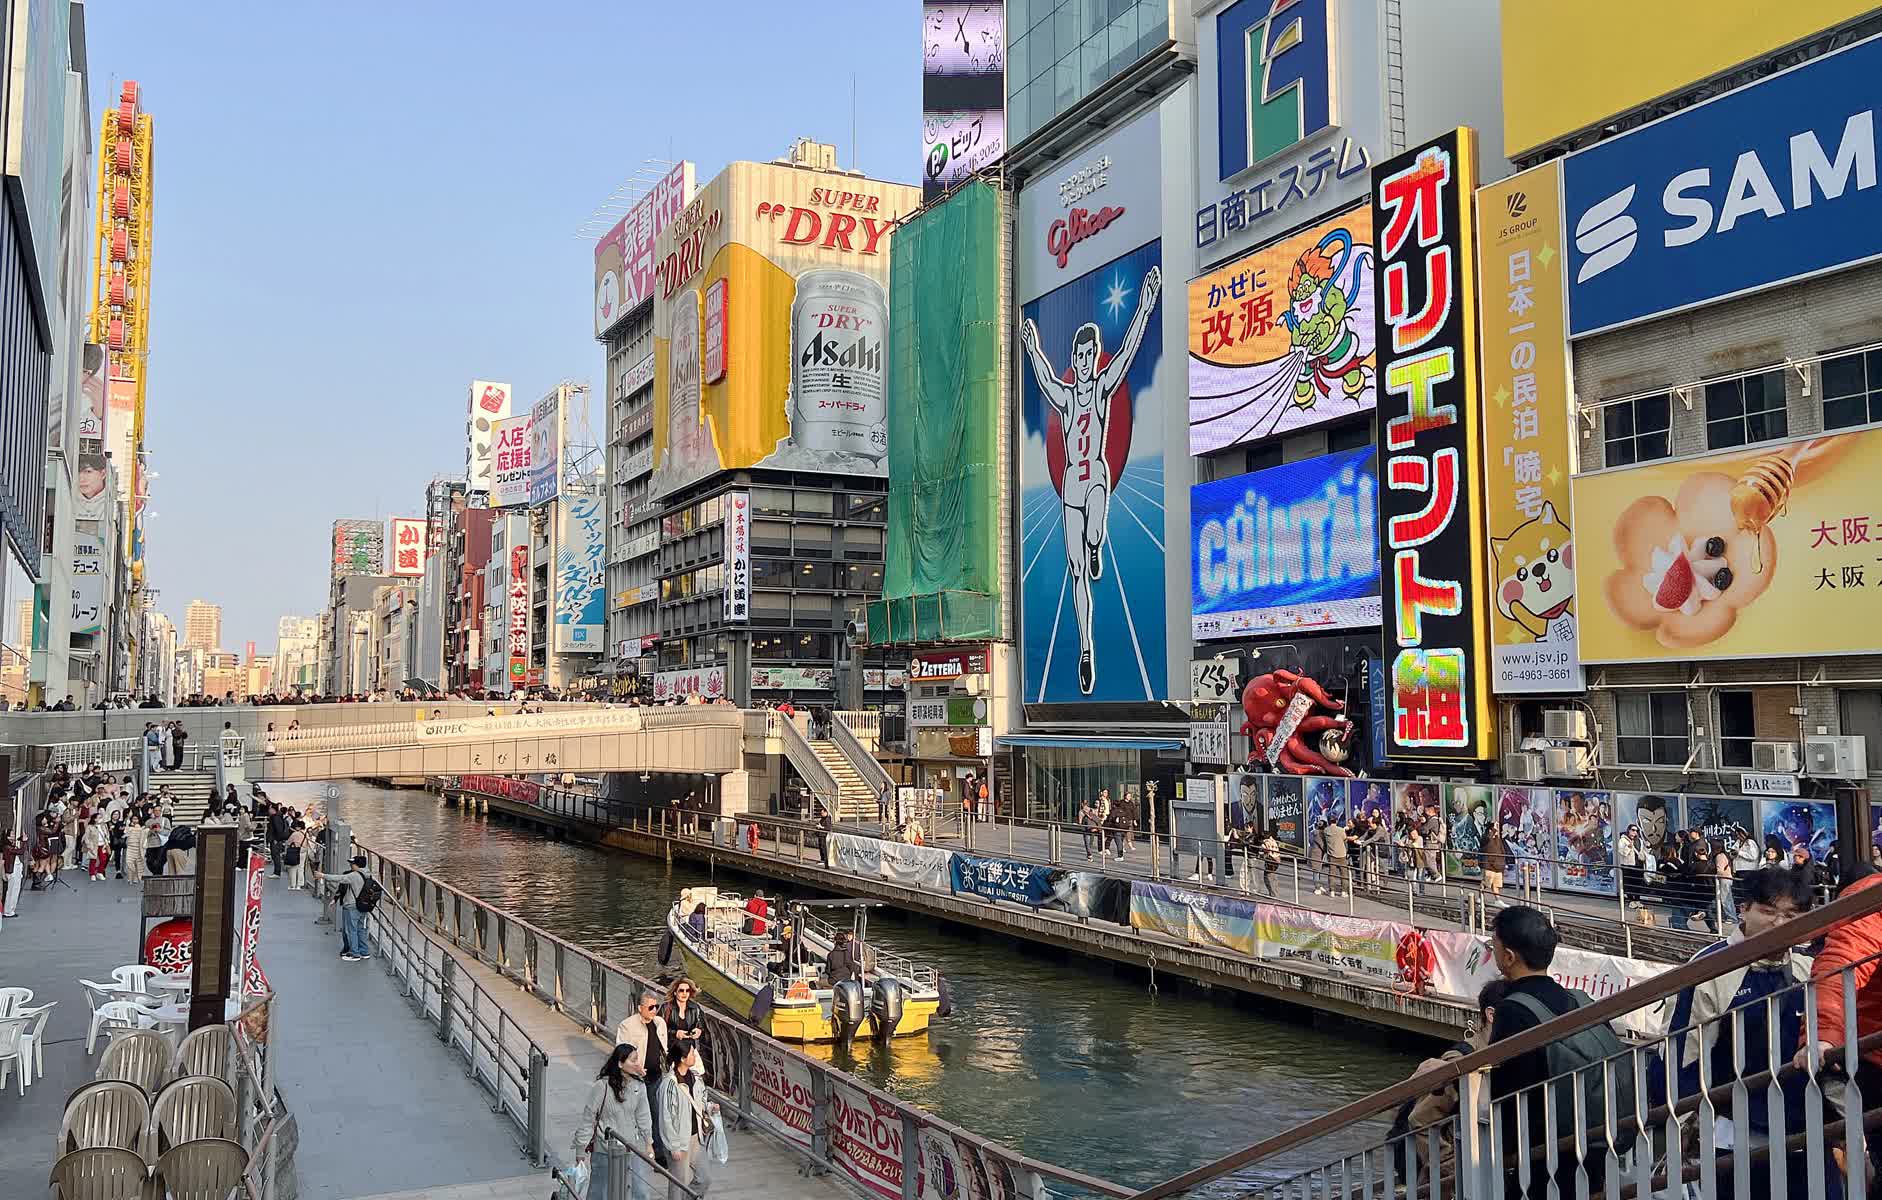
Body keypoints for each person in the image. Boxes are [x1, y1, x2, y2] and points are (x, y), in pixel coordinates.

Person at [1017, 264, 1162, 693]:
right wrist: (1032, 350)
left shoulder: (1100, 390)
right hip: (1070, 489)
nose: (1083, 363)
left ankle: (1097, 543)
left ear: (1094, 356)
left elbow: (1129, 352)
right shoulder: (1065, 398)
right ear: (1073, 359)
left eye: (1089, 356)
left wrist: (1145, 307)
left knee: (1095, 531)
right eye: (1078, 357)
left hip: (1095, 476)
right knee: (1077, 572)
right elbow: (1045, 379)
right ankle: (1085, 648)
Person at [1661, 868, 1821, 1200]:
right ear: (1744, 910)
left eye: (1791, 915)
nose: (1779, 923)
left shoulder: (1809, 967)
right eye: (1769, 911)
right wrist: (1683, 1120)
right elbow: (1683, 1053)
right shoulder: (1710, 968)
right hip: (1734, 1136)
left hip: (1806, 1130)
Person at [1389, 978, 1513, 1184]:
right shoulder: (1461, 1061)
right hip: (1454, 1172)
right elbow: (1420, 1119)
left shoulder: (1496, 1054)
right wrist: (1450, 1167)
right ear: (1491, 1015)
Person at [571, 1043, 654, 1200]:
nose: (637, 1063)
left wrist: (649, 1141)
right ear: (620, 1063)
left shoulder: (639, 1086)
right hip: (605, 1150)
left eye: (637, 1059)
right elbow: (588, 1119)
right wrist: (580, 1150)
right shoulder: (602, 1087)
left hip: (631, 1148)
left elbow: (643, 1115)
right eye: (633, 1060)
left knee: (640, 1192)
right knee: (600, 1193)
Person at [655, 1041, 720, 1199]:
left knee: (704, 1178)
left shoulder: (696, 1078)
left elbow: (701, 1101)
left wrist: (710, 1107)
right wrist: (673, 1146)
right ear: (683, 1059)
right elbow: (666, 1117)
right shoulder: (669, 1084)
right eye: (692, 1053)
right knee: (679, 1184)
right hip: (679, 1141)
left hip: (696, 1138)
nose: (695, 1055)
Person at [614, 991, 670, 1163]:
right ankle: (634, 1148)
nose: (654, 1010)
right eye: (651, 1007)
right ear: (640, 1008)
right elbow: (621, 1053)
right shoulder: (627, 1026)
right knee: (636, 1115)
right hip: (636, 1078)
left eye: (656, 1007)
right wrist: (636, 1068)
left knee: (657, 1114)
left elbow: (664, 1048)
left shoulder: (660, 1023)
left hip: (656, 1076)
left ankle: (658, 1153)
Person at [319, 854, 374, 960]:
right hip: (364, 905)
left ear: (357, 865)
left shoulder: (354, 875)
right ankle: (364, 951)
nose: (351, 865)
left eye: (352, 863)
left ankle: (355, 953)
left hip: (352, 906)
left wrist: (323, 875)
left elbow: (339, 878)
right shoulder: (368, 874)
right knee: (361, 929)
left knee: (351, 930)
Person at [661, 978, 705, 1055]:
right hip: (671, 1049)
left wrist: (699, 1031)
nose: (684, 993)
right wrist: (675, 1033)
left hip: (691, 1049)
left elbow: (702, 1027)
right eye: (681, 990)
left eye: (687, 991)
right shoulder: (666, 1008)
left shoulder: (695, 1008)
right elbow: (659, 1029)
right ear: (675, 992)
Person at [268, 803, 292, 877]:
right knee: (275, 855)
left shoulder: (275, 817)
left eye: (270, 808)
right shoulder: (278, 816)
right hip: (276, 839)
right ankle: (277, 871)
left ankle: (277, 872)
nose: (269, 810)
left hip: (275, 840)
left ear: (273, 809)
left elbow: (278, 829)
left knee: (275, 855)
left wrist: (276, 839)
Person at [285, 821, 308, 890]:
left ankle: (293, 885)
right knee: (301, 868)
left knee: (293, 868)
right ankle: (299, 885)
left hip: (295, 851)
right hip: (303, 851)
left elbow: (288, 842)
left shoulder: (295, 834)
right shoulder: (306, 834)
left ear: (299, 827)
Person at [1259, 829, 1282, 898]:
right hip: (1277, 859)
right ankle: (1275, 893)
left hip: (1271, 860)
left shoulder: (1266, 842)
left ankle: (1272, 894)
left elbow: (1264, 850)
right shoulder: (1273, 841)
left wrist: (1261, 854)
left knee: (1268, 877)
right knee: (1273, 877)